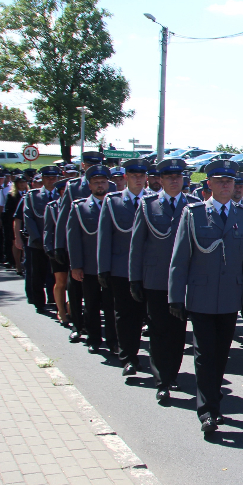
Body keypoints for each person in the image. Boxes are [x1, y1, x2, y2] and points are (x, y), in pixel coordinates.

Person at [168, 160, 243, 434]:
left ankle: (213, 396)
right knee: (204, 354)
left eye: (229, 182)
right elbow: (179, 259)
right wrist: (175, 296)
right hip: (201, 296)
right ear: (208, 184)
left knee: (220, 355)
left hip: (231, 297)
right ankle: (207, 410)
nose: (224, 186)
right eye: (219, 181)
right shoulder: (193, 213)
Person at [129, 158, 199, 404]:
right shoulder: (148, 205)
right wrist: (134, 278)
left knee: (178, 331)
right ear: (160, 180)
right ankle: (162, 380)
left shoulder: (193, 206)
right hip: (156, 279)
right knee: (158, 330)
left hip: (183, 281)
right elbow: (137, 244)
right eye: (169, 177)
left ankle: (173, 372)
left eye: (178, 177)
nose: (174, 181)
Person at [98, 159, 149, 377]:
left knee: (149, 317)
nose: (138, 178)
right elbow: (104, 236)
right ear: (126, 177)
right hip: (121, 269)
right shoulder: (113, 201)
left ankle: (159, 364)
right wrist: (103, 268)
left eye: (142, 175)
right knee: (125, 315)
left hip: (148, 270)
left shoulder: (153, 201)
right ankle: (128, 357)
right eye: (134, 175)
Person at [56, 152, 109, 344]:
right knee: (76, 290)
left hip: (102, 253)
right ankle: (78, 327)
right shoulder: (73, 186)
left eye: (97, 163)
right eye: (89, 164)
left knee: (98, 298)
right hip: (81, 249)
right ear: (83, 165)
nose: (92, 167)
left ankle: (100, 332)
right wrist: (58, 246)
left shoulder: (107, 184)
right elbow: (64, 217)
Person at [67, 165, 116, 354]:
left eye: (103, 182)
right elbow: (74, 239)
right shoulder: (79, 207)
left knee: (111, 306)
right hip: (89, 267)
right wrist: (76, 265)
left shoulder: (116, 205)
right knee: (91, 304)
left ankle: (113, 341)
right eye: (96, 183)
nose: (100, 186)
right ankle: (94, 338)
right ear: (89, 186)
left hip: (111, 267)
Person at [17, 164, 61, 313]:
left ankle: (54, 299)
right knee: (37, 274)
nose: (51, 180)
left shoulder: (62, 195)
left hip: (56, 242)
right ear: (42, 179)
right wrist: (37, 238)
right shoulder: (32, 195)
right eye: (48, 178)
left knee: (54, 274)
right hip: (37, 243)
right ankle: (39, 302)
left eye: (53, 178)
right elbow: (28, 217)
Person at [43, 179, 71, 327]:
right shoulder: (52, 207)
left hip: (73, 250)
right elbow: (48, 229)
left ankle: (71, 308)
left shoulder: (76, 205)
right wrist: (49, 248)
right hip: (57, 249)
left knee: (73, 283)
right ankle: (61, 311)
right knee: (60, 281)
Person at [8, 173, 28, 275]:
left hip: (26, 222)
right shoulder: (11, 195)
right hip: (15, 221)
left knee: (26, 245)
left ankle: (25, 265)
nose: (22, 184)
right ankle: (18, 266)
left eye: (24, 182)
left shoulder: (29, 194)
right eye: (20, 182)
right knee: (16, 244)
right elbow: (9, 211)